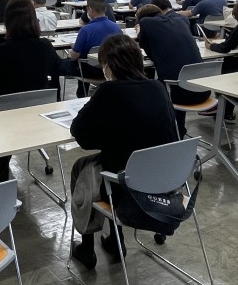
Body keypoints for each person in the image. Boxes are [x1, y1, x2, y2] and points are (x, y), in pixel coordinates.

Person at [69, 34, 179, 269]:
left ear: (108, 67)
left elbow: (80, 135)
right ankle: (116, 239)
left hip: (127, 189)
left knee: (82, 167)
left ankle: (87, 246)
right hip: (165, 182)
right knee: (116, 162)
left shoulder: (108, 92)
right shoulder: (158, 88)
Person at [0, 0, 61, 182]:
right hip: (41, 113)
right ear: (34, 19)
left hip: (7, 116)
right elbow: (58, 70)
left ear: (8, 21)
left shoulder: (3, 51)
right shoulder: (45, 45)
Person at [135, 4, 210, 138]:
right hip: (203, 90)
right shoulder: (181, 20)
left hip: (180, 94)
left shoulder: (146, 23)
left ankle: (165, 133)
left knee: (149, 89)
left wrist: (140, 31)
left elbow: (146, 48)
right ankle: (178, 130)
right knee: (175, 78)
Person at [67, 0, 121, 95]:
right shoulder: (116, 28)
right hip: (111, 69)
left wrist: (71, 50)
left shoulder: (86, 30)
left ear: (90, 10)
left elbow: (75, 56)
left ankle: (78, 94)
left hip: (89, 71)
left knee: (62, 64)